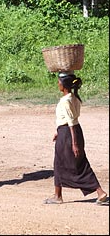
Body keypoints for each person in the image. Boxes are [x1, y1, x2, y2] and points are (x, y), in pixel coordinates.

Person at [44, 72, 107, 205]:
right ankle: (99, 192)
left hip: (69, 134)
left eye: (59, 82)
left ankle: (58, 196)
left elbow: (71, 122)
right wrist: (58, 131)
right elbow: (69, 120)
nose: (58, 84)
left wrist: (74, 143)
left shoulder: (65, 101)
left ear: (64, 85)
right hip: (70, 132)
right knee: (78, 163)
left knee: (61, 164)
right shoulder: (74, 98)